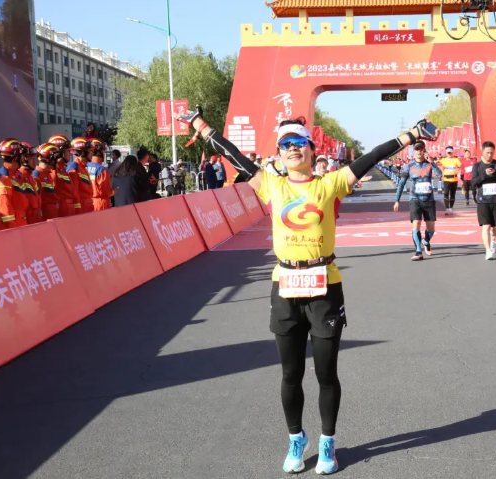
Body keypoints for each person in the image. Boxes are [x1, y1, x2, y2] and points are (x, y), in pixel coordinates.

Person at [177, 105, 436, 475]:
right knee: (290, 373)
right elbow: (233, 156)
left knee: (326, 375)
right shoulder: (271, 185)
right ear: (278, 155)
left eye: (299, 142)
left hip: (324, 287)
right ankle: (296, 439)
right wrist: (202, 127)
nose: (292, 149)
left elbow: (372, 156)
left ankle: (328, 443)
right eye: (285, 145)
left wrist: (411, 135)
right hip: (285, 286)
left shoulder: (331, 184)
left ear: (313, 150)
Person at [394, 141, 443, 261]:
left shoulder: (429, 165)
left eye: (421, 149)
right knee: (416, 224)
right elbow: (401, 184)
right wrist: (397, 200)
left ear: (424, 150)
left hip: (429, 200)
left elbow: (439, 175)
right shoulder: (409, 166)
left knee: (431, 229)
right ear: (414, 151)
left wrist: (432, 162)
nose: (419, 151)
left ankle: (426, 241)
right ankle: (418, 252)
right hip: (415, 199)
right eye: (417, 149)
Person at [471, 141, 496, 260]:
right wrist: (484, 174)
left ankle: (492, 241)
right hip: (483, 201)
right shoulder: (477, 166)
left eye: (491, 153)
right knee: (486, 226)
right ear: (482, 152)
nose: (489, 155)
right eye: (487, 153)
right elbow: (473, 182)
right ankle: (488, 250)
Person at [0, 138, 29, 231]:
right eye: (21, 155)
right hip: (10, 226)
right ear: (15, 157)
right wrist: (13, 229)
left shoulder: (14, 175)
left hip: (19, 221)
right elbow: (5, 208)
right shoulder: (4, 178)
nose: (24, 158)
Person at [48, 134, 79, 216]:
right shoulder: (54, 170)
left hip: (68, 208)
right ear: (60, 152)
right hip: (62, 209)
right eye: (68, 151)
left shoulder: (62, 169)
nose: (70, 154)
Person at [67, 137, 94, 214]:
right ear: (82, 152)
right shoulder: (74, 168)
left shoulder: (83, 168)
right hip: (81, 210)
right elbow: (74, 193)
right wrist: (78, 212)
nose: (92, 153)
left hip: (87, 208)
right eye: (90, 151)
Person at [33, 143, 59, 220]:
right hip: (45, 217)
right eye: (55, 158)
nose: (57, 161)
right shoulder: (36, 176)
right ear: (48, 159)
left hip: (53, 215)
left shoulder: (48, 174)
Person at [19, 142, 42, 224]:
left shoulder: (31, 178)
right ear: (22, 159)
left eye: (35, 158)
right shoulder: (19, 178)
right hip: (27, 221)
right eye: (31, 158)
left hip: (36, 219)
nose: (35, 161)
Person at [87, 139, 113, 211]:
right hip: (101, 203)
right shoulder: (102, 170)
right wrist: (113, 191)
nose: (104, 153)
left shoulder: (85, 167)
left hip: (88, 202)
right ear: (99, 152)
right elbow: (106, 191)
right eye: (103, 151)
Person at [437, 146, 462, 214]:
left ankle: (451, 208)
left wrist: (458, 168)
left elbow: (460, 165)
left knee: (452, 194)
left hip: (454, 180)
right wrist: (436, 160)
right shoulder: (443, 160)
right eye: (448, 152)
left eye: (450, 152)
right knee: (446, 193)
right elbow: (436, 163)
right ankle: (447, 208)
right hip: (446, 179)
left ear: (452, 152)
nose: (449, 154)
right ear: (446, 152)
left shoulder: (456, 160)